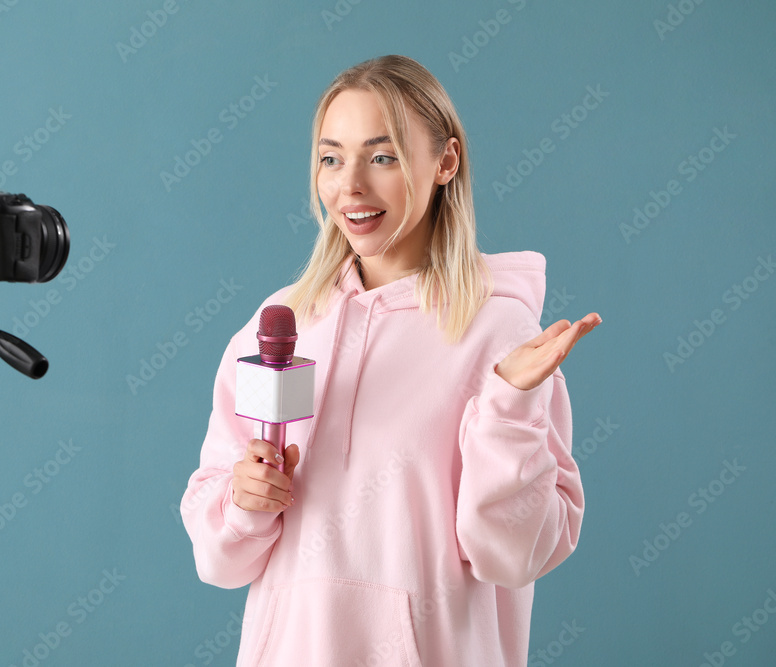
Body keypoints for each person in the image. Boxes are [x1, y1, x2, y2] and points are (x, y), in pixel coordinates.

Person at [181, 54, 600, 666]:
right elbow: (217, 561)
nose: (349, 186)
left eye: (383, 157)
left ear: (445, 162)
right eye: (331, 158)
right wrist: (244, 503)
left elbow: (514, 557)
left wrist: (509, 409)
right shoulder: (282, 322)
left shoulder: (502, 333)